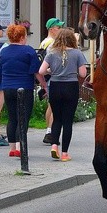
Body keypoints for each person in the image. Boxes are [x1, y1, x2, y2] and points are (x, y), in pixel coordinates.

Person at [38, 28, 87, 162]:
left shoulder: (52, 53)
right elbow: (83, 74)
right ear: (72, 39)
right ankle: (65, 153)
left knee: (57, 118)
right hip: (70, 87)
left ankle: (54, 146)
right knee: (67, 121)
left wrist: (51, 70)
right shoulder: (77, 53)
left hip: (55, 86)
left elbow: (41, 71)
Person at [0, 24, 47, 157]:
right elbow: (36, 72)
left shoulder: (4, 51)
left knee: (12, 117)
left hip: (7, 87)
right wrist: (44, 85)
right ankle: (21, 147)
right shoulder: (28, 51)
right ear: (21, 37)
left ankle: (12, 148)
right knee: (23, 117)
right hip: (24, 88)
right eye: (25, 36)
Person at [38, 17, 65, 145]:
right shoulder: (53, 44)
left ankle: (48, 130)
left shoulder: (44, 42)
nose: (60, 30)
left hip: (47, 77)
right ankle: (50, 132)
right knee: (56, 107)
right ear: (51, 29)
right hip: (53, 76)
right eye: (58, 27)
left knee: (50, 105)